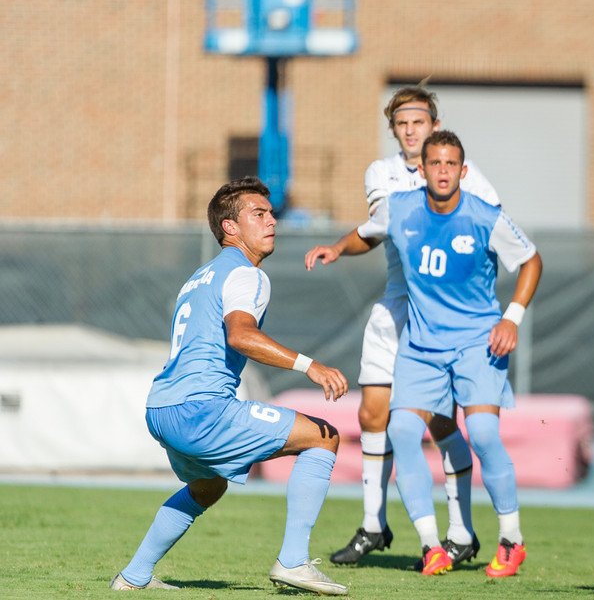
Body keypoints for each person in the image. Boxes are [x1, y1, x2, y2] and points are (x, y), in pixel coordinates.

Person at [315, 130, 541, 577]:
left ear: (463, 170)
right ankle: (432, 545)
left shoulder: (484, 215)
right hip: (421, 346)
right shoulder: (399, 208)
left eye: (450, 164)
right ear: (422, 169)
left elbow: (531, 260)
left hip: (479, 341)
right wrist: (338, 248)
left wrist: (511, 318)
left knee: (482, 432)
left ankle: (511, 540)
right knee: (400, 431)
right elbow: (366, 233)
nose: (441, 171)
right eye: (434, 163)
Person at [111, 177, 350, 596]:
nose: (271, 220)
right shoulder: (245, 274)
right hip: (202, 408)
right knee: (323, 437)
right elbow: (240, 335)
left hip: (162, 408)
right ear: (230, 228)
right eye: (258, 214)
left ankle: (133, 577)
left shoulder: (200, 276)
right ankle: (293, 562)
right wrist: (309, 366)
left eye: (271, 213)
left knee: (208, 485)